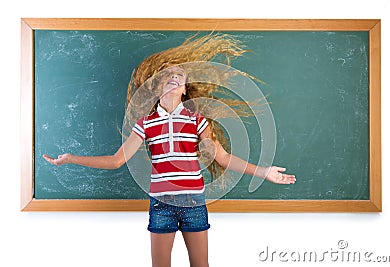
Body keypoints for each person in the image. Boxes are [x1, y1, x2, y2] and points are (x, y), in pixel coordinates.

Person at [43, 34, 296, 267]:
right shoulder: (146, 124)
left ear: (185, 88)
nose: (174, 77)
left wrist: (264, 172)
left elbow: (222, 157)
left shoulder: (198, 121)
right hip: (161, 205)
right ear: (157, 85)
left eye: (180, 76)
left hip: (194, 203)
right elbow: (116, 160)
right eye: (168, 75)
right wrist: (71, 158)